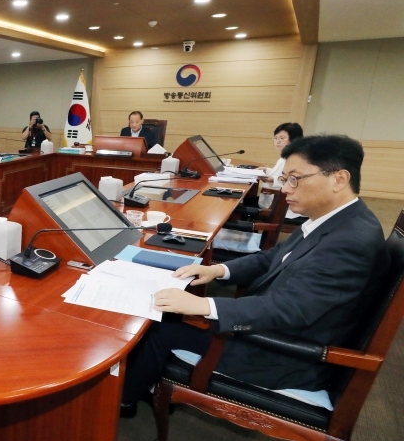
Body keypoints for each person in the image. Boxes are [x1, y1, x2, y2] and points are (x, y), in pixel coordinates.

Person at [120, 135, 389, 417]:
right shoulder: (337, 220)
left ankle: (124, 401)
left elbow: (291, 308)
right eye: (286, 178)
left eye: (295, 179)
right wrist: (217, 270)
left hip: (284, 356)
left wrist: (203, 305)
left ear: (339, 179)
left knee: (161, 327)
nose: (285, 188)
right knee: (174, 312)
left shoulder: (351, 241)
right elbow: (274, 256)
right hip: (280, 331)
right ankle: (146, 383)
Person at [261, 122, 306, 223]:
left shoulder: (296, 158)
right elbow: (282, 174)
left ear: (294, 140)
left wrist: (272, 179)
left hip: (282, 206)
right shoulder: (285, 157)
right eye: (275, 138)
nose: (277, 141)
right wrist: (266, 170)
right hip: (273, 200)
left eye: (281, 138)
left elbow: (293, 180)